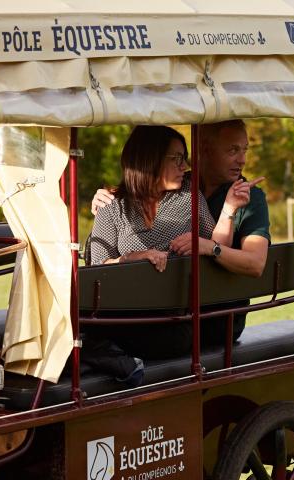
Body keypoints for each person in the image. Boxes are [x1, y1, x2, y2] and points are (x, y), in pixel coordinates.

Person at [92, 120, 271, 344]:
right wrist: (109, 200)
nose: (184, 165)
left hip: (201, 314)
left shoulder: (192, 194)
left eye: (244, 150)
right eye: (233, 150)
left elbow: (247, 260)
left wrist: (218, 230)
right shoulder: (119, 203)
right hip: (136, 311)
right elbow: (98, 266)